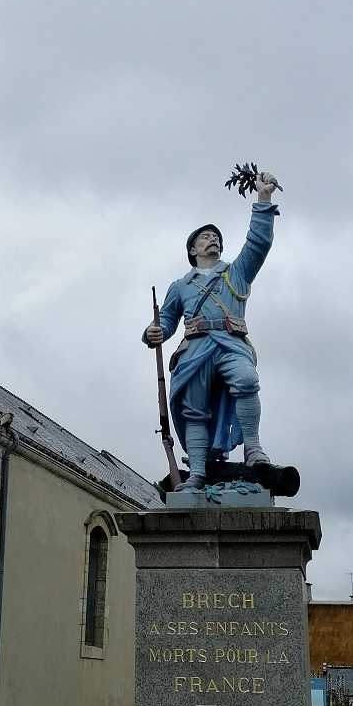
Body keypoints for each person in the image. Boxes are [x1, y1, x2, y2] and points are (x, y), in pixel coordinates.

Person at [144, 172, 280, 491]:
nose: (212, 239)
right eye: (204, 237)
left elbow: (258, 243)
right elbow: (165, 321)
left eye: (215, 236)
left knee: (247, 380)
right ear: (193, 249)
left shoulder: (236, 273)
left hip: (231, 343)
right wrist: (154, 332)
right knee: (195, 411)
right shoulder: (180, 286)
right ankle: (199, 473)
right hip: (194, 350)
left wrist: (263, 200)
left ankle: (253, 449)